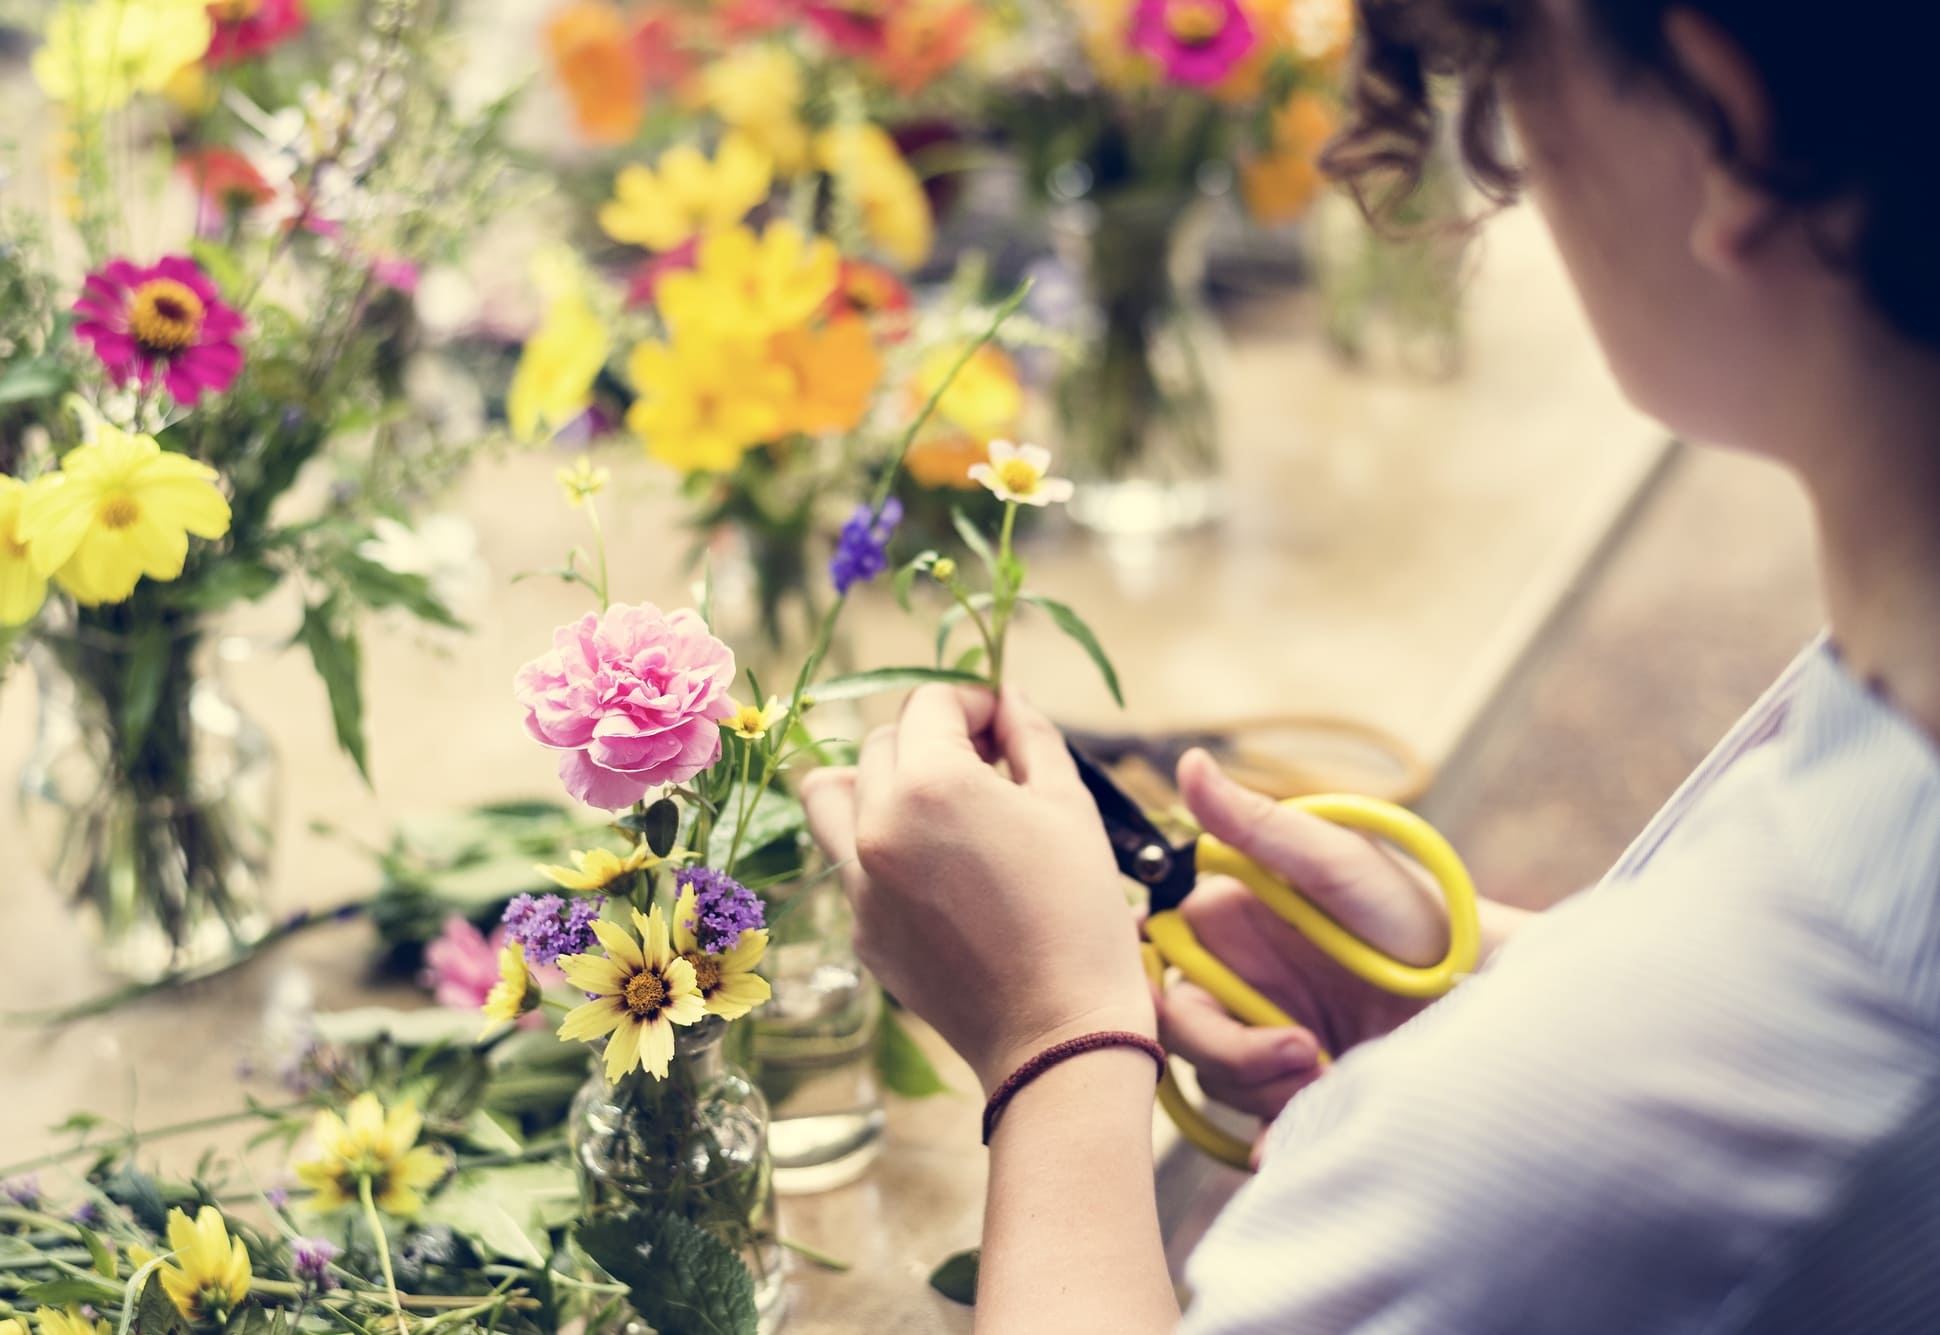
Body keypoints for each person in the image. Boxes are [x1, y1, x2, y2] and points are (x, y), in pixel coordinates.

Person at [798, 0, 1940, 1328]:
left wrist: (1052, 1041)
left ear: (1730, 124)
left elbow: (1676, 1104)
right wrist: (1482, 992)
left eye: (1501, 72)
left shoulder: (1606, 1128)